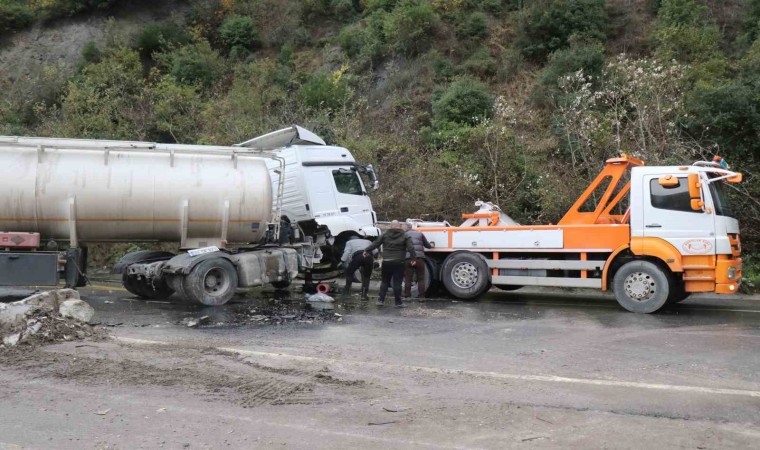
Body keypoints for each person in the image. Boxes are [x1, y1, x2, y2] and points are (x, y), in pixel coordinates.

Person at [363, 220, 415, 307]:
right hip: (399, 262)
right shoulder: (405, 235)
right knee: (397, 283)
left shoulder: (385, 235)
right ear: (399, 226)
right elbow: (411, 248)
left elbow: (375, 243)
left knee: (385, 282)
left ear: (391, 226)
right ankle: (398, 303)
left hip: (387, 261)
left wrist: (367, 250)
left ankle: (380, 300)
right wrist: (413, 258)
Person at [340, 234, 376, 300]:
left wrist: (342, 261)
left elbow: (346, 252)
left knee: (349, 273)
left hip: (358, 256)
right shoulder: (367, 241)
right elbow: (375, 251)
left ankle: (347, 293)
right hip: (368, 256)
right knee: (366, 276)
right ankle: (364, 295)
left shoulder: (349, 242)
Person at [403, 222, 434, 299]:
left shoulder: (403, 235)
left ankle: (407, 296)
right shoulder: (420, 234)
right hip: (419, 259)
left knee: (408, 278)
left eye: (403, 227)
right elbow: (427, 245)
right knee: (421, 279)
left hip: (408, 259)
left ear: (406, 228)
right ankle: (421, 297)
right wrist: (432, 245)